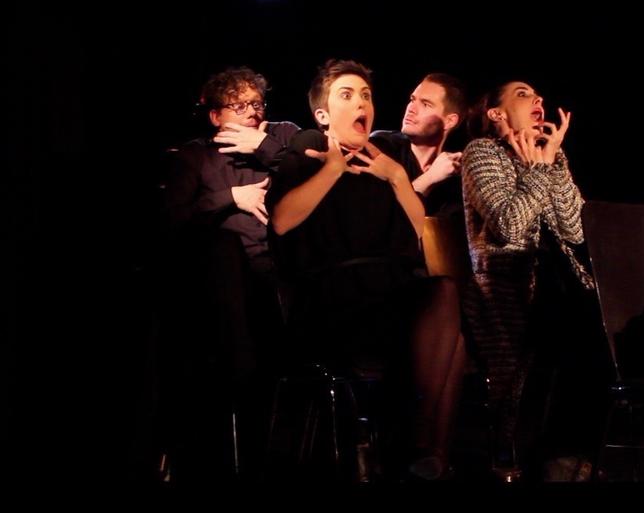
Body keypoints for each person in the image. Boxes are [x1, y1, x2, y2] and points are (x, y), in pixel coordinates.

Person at [267, 59, 465, 480]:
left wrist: (396, 177)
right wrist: (333, 168)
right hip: (333, 303)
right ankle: (418, 450)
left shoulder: (384, 156)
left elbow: (417, 226)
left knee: (447, 300)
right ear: (323, 115)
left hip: (386, 295)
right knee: (446, 310)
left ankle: (424, 454)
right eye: (347, 95)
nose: (361, 103)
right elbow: (282, 220)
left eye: (366, 95)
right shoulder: (309, 145)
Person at [461, 78, 608, 481]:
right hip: (510, 283)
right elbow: (509, 225)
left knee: (613, 327)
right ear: (496, 113)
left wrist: (552, 161)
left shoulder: (550, 155)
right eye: (523, 94)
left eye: (537, 94)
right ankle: (557, 458)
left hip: (561, 285)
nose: (538, 99)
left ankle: (567, 456)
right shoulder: (482, 152)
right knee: (582, 330)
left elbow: (576, 230)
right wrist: (539, 170)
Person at [161, 66, 299, 480]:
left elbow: (321, 173)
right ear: (215, 116)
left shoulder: (283, 137)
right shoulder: (195, 157)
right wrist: (231, 196)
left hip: (287, 275)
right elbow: (170, 221)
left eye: (256, 103)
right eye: (239, 106)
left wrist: (266, 148)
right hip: (221, 290)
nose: (253, 112)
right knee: (225, 254)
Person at [370, 73, 467, 218]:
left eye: (426, 104)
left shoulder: (455, 178)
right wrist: (430, 177)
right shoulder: (381, 146)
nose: (411, 108)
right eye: (412, 100)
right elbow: (375, 216)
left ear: (449, 121)